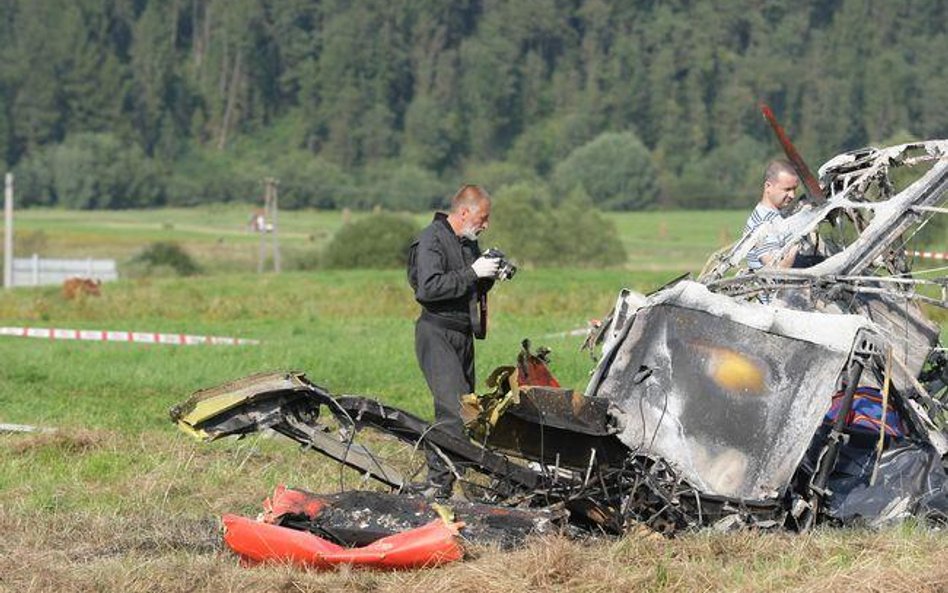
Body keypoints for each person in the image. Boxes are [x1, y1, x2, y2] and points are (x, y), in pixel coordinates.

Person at [407, 184, 501, 497]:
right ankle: (438, 485)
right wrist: (474, 272)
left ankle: (448, 481)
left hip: (463, 335)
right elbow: (429, 289)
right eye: (482, 218)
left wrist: (489, 277)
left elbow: (467, 287)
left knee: (467, 412)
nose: (485, 225)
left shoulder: (468, 243)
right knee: (452, 412)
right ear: (464, 212)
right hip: (436, 333)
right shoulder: (431, 239)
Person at [743, 159, 801, 270]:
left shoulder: (778, 215)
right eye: (787, 189)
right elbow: (777, 268)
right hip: (774, 286)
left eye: (794, 189)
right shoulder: (763, 223)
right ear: (768, 186)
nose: (792, 195)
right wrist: (798, 242)